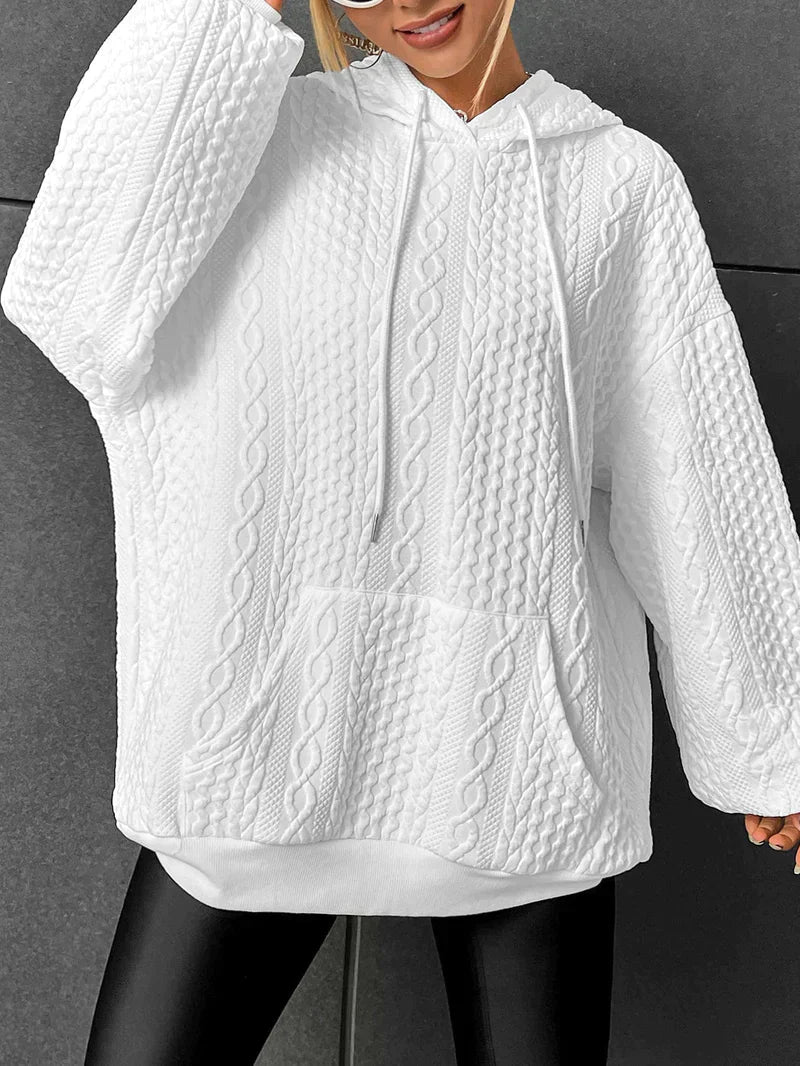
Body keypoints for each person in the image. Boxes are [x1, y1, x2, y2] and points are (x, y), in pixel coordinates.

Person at [2, 0, 799, 1063]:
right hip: (249, 774)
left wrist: (776, 743)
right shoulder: (256, 139)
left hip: (515, 789)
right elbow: (71, 295)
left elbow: (691, 471)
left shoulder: (619, 185)